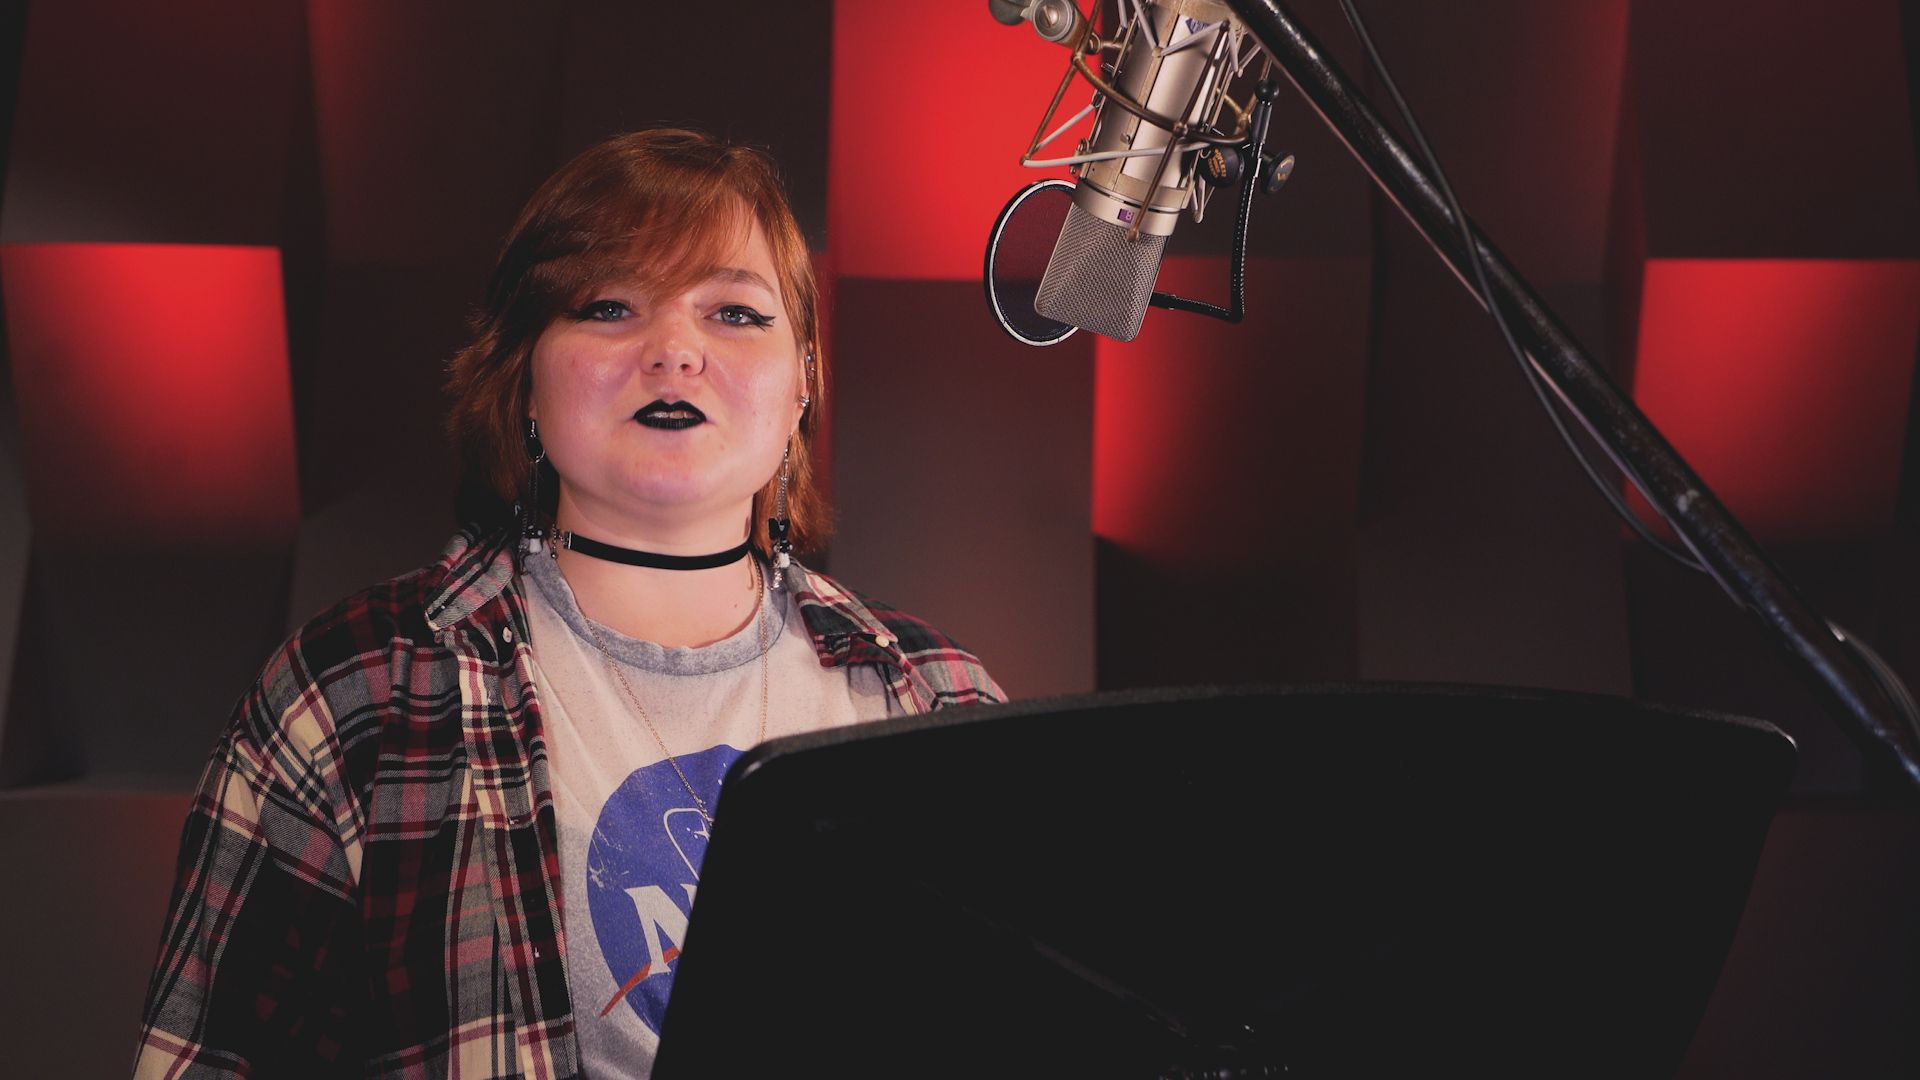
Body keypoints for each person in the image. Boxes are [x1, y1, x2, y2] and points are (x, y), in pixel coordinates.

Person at [133, 128, 1003, 1079]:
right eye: (609, 305)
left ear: (804, 384)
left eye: (736, 314)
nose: (675, 351)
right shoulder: (355, 692)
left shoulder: (941, 704)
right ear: (526, 387)